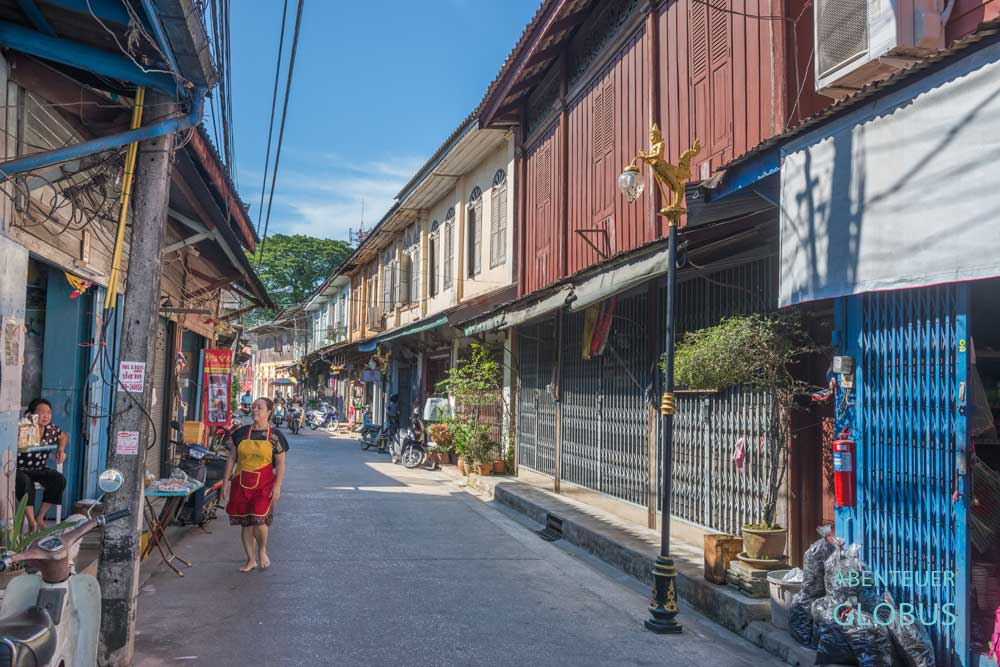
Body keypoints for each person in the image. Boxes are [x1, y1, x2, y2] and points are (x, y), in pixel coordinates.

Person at [221, 398, 288, 572]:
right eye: (254, 407)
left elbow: (280, 463)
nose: (255, 410)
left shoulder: (275, 436)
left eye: (260, 407)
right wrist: (225, 482)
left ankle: (262, 550)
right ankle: (250, 560)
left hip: (264, 484)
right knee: (246, 522)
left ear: (269, 412)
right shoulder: (241, 433)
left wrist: (278, 486)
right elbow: (232, 459)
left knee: (259, 520)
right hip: (240, 482)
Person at [15, 398, 67, 532]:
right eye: (41, 412)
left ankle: (40, 517)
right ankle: (32, 522)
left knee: (58, 479)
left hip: (39, 468)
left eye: (48, 412)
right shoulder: (23, 428)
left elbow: (63, 436)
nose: (46, 416)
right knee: (25, 482)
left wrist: (61, 450)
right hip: (20, 469)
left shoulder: (51, 429)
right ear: (31, 414)